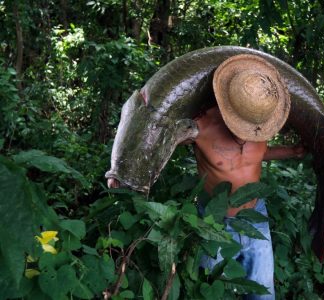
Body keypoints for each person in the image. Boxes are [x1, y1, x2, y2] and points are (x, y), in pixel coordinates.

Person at [108, 54, 305, 299]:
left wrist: (292, 152)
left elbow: (256, 155)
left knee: (262, 290)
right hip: (214, 220)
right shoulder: (201, 125)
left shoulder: (259, 120)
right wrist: (123, 172)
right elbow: (154, 131)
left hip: (255, 215)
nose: (247, 132)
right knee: (208, 289)